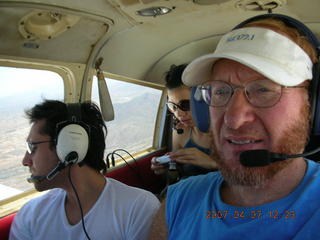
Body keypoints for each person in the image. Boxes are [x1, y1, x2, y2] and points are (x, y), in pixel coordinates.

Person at [149, 14, 320, 240]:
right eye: (220, 91)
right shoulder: (177, 201)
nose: (233, 120)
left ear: (311, 103)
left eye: (263, 89)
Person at [9, 100, 160, 240]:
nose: (25, 161)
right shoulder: (30, 216)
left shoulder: (139, 209)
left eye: (32, 147)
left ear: (69, 146)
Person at [150, 64, 217, 178]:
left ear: (205, 99)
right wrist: (165, 168)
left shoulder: (229, 132)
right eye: (173, 107)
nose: (178, 114)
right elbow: (176, 173)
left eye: (185, 104)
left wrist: (212, 164)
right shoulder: (180, 132)